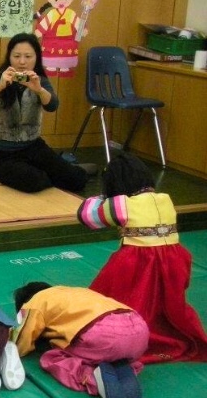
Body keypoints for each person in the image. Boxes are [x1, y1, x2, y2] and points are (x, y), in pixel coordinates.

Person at [77, 152, 207, 364]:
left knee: (117, 303)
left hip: (136, 264)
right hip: (174, 263)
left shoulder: (121, 204)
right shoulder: (166, 199)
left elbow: (86, 216)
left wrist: (103, 197)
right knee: (169, 306)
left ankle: (132, 337)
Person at [0, 33, 89, 194]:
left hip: (33, 147)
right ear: (9, 57)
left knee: (77, 180)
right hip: (3, 155)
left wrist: (39, 90)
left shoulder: (39, 79)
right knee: (36, 182)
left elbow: (52, 106)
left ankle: (71, 170)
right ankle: (51, 171)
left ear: (36, 58)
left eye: (28, 56)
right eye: (17, 56)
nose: (22, 61)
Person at [13, 282, 150, 398]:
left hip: (103, 337)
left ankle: (92, 377)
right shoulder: (78, 291)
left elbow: (21, 341)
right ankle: (120, 366)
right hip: (140, 331)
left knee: (52, 356)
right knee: (102, 347)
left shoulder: (35, 302)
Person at [33, 0, 87, 77]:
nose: (61, 1)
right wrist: (39, 32)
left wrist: (82, 30)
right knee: (50, 63)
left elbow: (78, 24)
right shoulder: (51, 13)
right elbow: (45, 24)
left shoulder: (71, 13)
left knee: (65, 63)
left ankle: (65, 69)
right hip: (52, 44)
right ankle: (50, 69)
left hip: (67, 44)